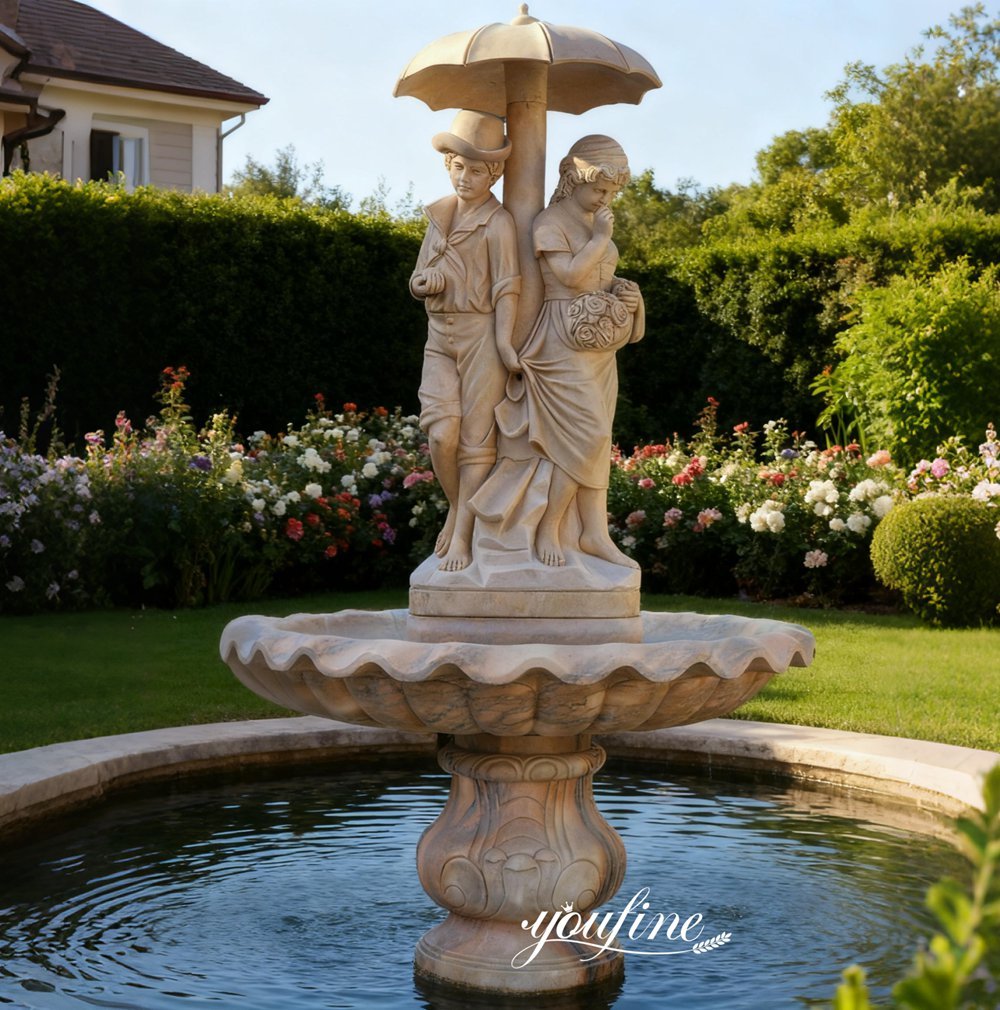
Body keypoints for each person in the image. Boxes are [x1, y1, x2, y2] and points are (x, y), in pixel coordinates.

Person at [512, 135, 644, 569]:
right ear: (572, 178)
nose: (606, 199)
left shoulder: (595, 221)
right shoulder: (550, 221)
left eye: (612, 193)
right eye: (599, 190)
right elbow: (568, 276)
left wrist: (628, 299)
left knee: (598, 437)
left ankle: (595, 533)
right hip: (561, 340)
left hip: (598, 347)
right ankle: (550, 525)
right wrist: (600, 238)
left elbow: (600, 282)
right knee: (583, 435)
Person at [409, 111, 521, 571]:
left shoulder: (498, 223)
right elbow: (417, 278)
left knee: (475, 441)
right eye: (458, 166)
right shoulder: (437, 216)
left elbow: (507, 286)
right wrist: (425, 283)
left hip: (480, 336)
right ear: (447, 165)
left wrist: (504, 341)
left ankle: (462, 535)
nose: (465, 177)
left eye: (476, 169)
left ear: (494, 173)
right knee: (441, 432)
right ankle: (457, 506)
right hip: (440, 335)